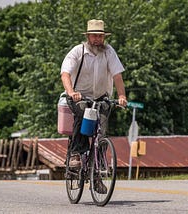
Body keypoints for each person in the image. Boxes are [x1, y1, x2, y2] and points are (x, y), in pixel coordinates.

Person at [60, 19, 127, 193]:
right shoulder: (78, 51)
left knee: (102, 133)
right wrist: (71, 92)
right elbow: (65, 74)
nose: (97, 39)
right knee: (83, 115)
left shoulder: (108, 52)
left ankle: (96, 174)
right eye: (94, 36)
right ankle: (75, 154)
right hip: (79, 96)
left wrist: (121, 96)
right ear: (88, 36)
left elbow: (117, 76)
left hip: (101, 98)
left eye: (100, 36)